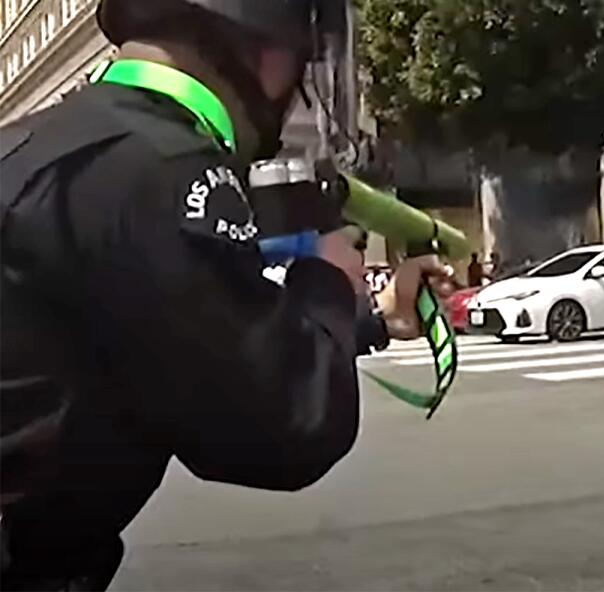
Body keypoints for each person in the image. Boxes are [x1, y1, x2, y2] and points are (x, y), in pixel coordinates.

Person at [0, 0, 451, 589]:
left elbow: (180, 342)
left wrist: (374, 318)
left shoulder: (42, 144)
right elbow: (286, 427)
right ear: (263, 46)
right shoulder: (163, 168)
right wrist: (332, 279)